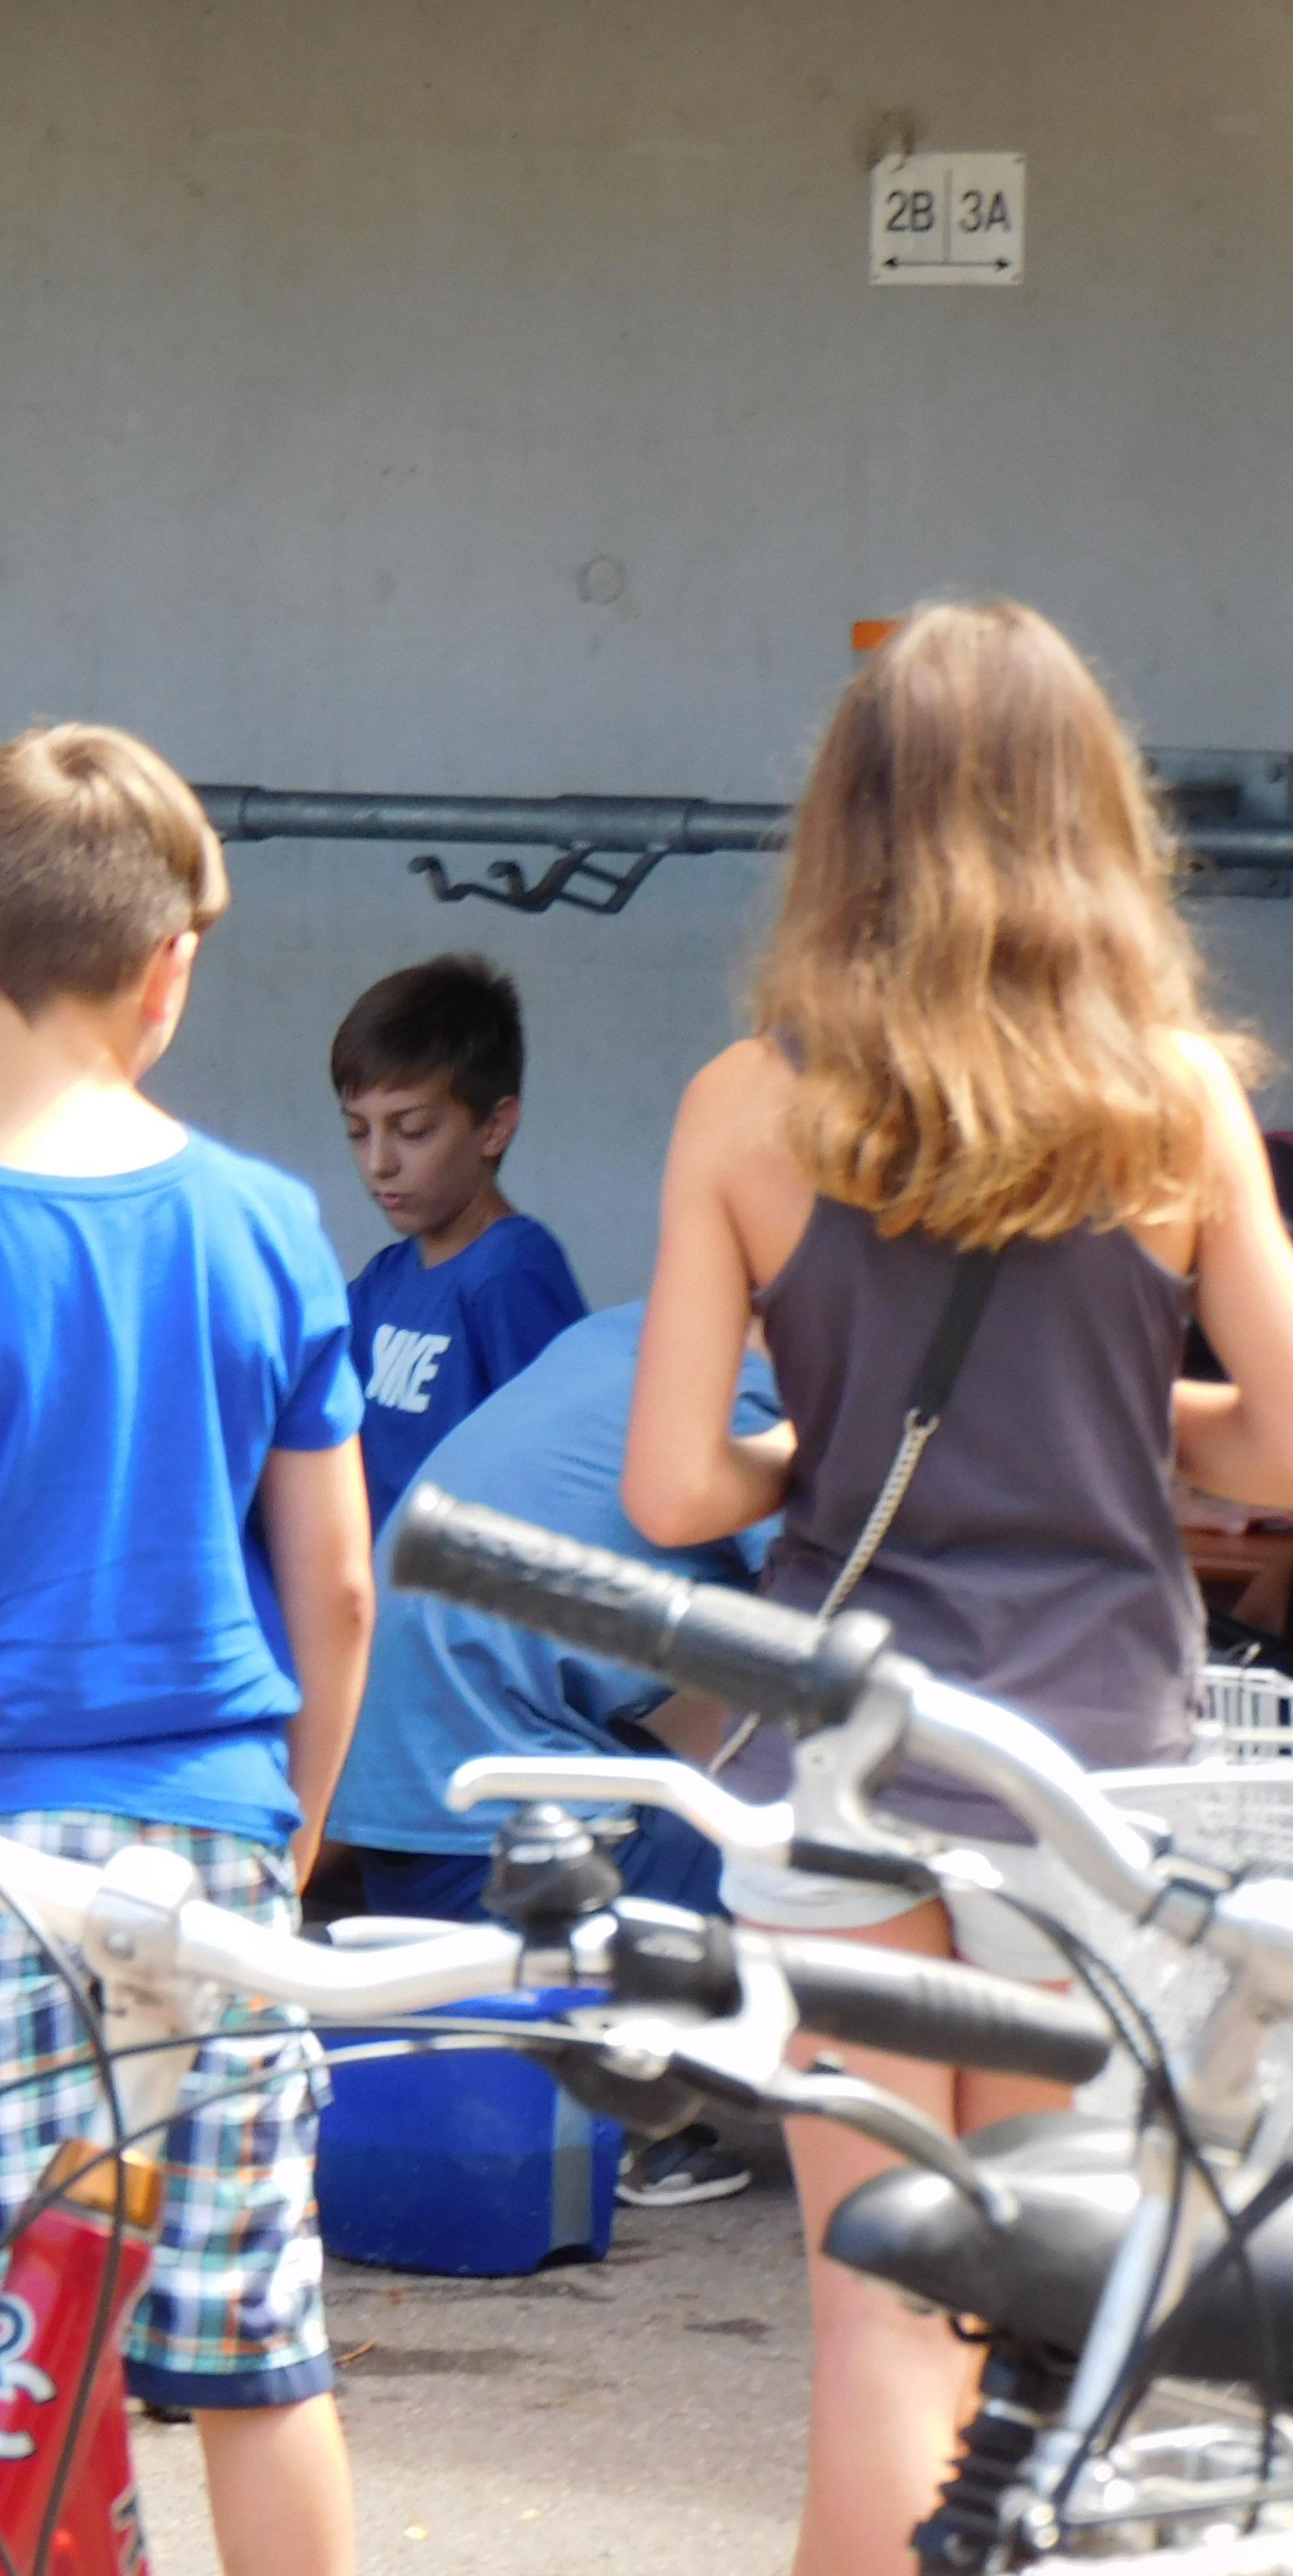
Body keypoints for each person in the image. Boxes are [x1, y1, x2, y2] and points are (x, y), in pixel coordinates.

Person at [623, 600, 1293, 2576]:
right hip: (1086, 1787)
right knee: (1042, 2326)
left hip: (838, 1768)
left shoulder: (745, 1103)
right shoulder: (1173, 1098)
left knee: (874, 2309)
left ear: (845, 820)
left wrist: (810, 1449)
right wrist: (1114, 1414)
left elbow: (672, 1484)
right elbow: (1278, 1447)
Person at [0, 724, 368, 2576]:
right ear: (169, 971)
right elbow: (338, 1589)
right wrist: (289, 1826)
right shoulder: (269, 1228)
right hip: (211, 1867)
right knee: (255, 2354)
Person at [325, 1299, 771, 2206]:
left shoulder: (621, 1333)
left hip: (409, 1833)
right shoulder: (766, 1396)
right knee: (842, 1883)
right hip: (506, 1857)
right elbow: (866, 1610)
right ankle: (635, 2111)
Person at [330, 954, 585, 1524]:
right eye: (358, 1132)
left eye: (413, 1129)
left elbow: (550, 1479)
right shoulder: (382, 1281)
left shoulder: (510, 1275)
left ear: (494, 1128)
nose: (378, 1162)